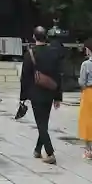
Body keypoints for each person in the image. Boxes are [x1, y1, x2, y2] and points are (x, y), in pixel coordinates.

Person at [19, 26, 64, 164]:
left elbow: (25, 77)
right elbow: (58, 75)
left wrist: (23, 97)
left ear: (34, 37)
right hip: (50, 92)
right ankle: (38, 149)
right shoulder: (53, 53)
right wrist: (58, 96)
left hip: (35, 93)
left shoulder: (30, 54)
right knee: (43, 122)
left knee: (41, 124)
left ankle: (50, 153)